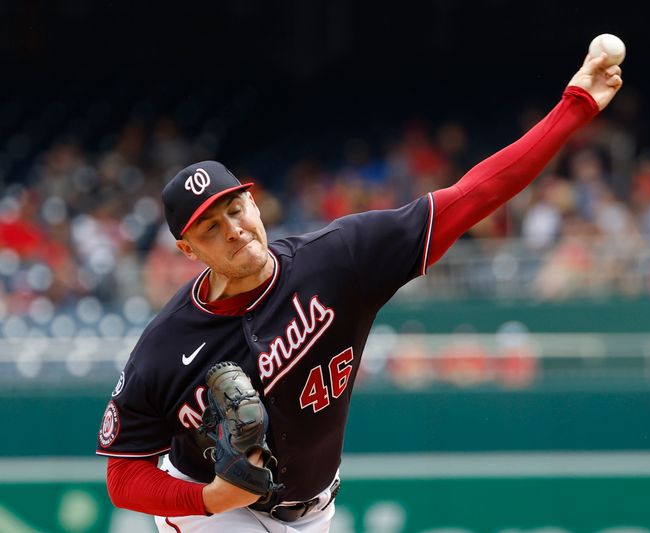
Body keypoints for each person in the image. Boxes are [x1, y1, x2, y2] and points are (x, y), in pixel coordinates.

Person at [95, 52, 622, 532]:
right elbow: (123, 478)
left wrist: (574, 107)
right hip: (216, 518)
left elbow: (471, 196)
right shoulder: (165, 347)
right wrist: (210, 498)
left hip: (313, 511)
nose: (232, 228)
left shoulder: (339, 258)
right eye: (209, 227)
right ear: (187, 251)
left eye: (235, 209)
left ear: (255, 204)